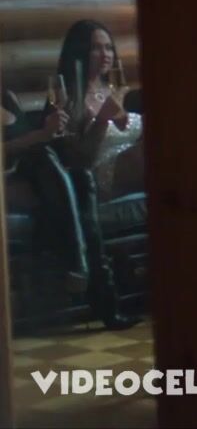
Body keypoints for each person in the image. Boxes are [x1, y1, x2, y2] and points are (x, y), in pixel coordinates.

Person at [0, 20, 142, 329]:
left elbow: (46, 143)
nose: (105, 54)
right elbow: (26, 147)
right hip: (20, 175)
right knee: (48, 158)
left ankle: (105, 301)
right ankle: (79, 263)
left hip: (43, 171)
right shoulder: (72, 95)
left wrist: (47, 133)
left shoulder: (7, 96)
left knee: (80, 178)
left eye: (108, 47)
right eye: (95, 48)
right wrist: (43, 135)